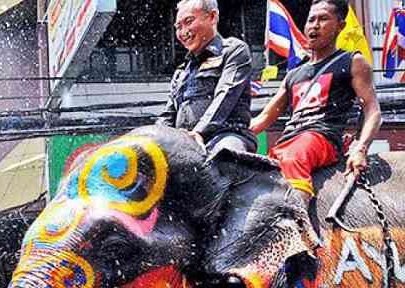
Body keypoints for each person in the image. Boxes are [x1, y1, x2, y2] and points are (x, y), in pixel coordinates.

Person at [251, 0, 381, 218]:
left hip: (322, 138)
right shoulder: (294, 73)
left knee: (294, 157)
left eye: (323, 19)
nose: (314, 25)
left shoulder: (352, 61)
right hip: (288, 141)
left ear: (340, 26)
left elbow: (373, 110)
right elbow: (263, 118)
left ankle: (296, 229)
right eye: (311, 19)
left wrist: (361, 148)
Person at [158, 0, 256, 153]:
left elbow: (226, 95)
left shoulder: (234, 50)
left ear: (212, 17)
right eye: (178, 27)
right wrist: (153, 139)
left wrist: (200, 132)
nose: (183, 32)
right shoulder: (181, 71)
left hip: (227, 135)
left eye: (189, 22)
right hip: (184, 143)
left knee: (224, 158)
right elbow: (168, 115)